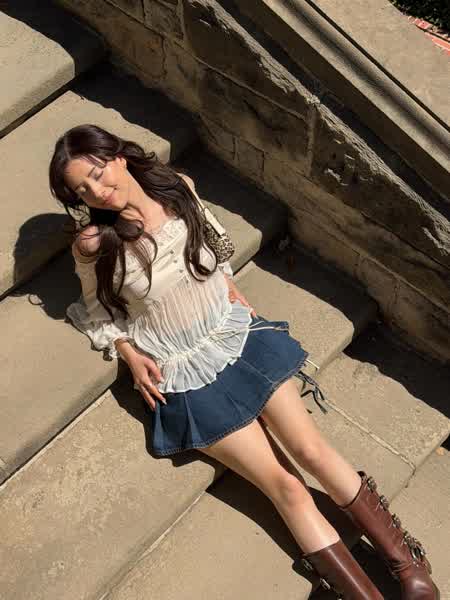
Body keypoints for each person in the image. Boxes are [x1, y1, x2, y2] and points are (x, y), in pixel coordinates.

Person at [49, 124, 438, 600]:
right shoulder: (95, 243)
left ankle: (408, 565)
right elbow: (95, 309)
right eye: (81, 190)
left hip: (232, 334)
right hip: (182, 368)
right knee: (286, 487)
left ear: (118, 157)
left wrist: (226, 284)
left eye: (96, 174)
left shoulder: (178, 189)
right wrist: (129, 353)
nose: (95, 192)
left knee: (311, 450)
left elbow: (214, 244)